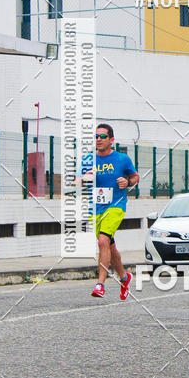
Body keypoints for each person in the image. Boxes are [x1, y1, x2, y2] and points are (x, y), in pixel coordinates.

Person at [80, 124, 139, 299]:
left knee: (102, 241)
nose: (98, 139)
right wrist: (84, 178)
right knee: (109, 246)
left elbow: (135, 176)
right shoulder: (88, 159)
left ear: (111, 140)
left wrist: (127, 182)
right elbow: (77, 182)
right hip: (95, 208)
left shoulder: (122, 159)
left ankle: (100, 284)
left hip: (116, 205)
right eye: (96, 136)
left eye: (102, 136)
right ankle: (124, 277)